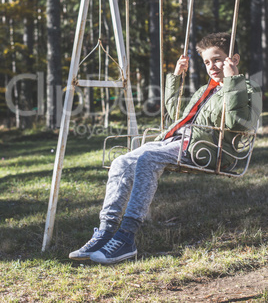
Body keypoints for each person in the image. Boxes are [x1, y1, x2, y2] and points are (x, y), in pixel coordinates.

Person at [69, 32, 262, 265]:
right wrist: (176, 78)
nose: (212, 66)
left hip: (207, 150)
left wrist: (233, 81)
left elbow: (236, 124)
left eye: (218, 59)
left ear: (234, 59)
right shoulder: (205, 90)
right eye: (207, 62)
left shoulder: (249, 89)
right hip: (176, 141)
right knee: (121, 162)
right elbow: (177, 115)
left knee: (148, 159)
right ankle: (105, 232)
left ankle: (126, 236)